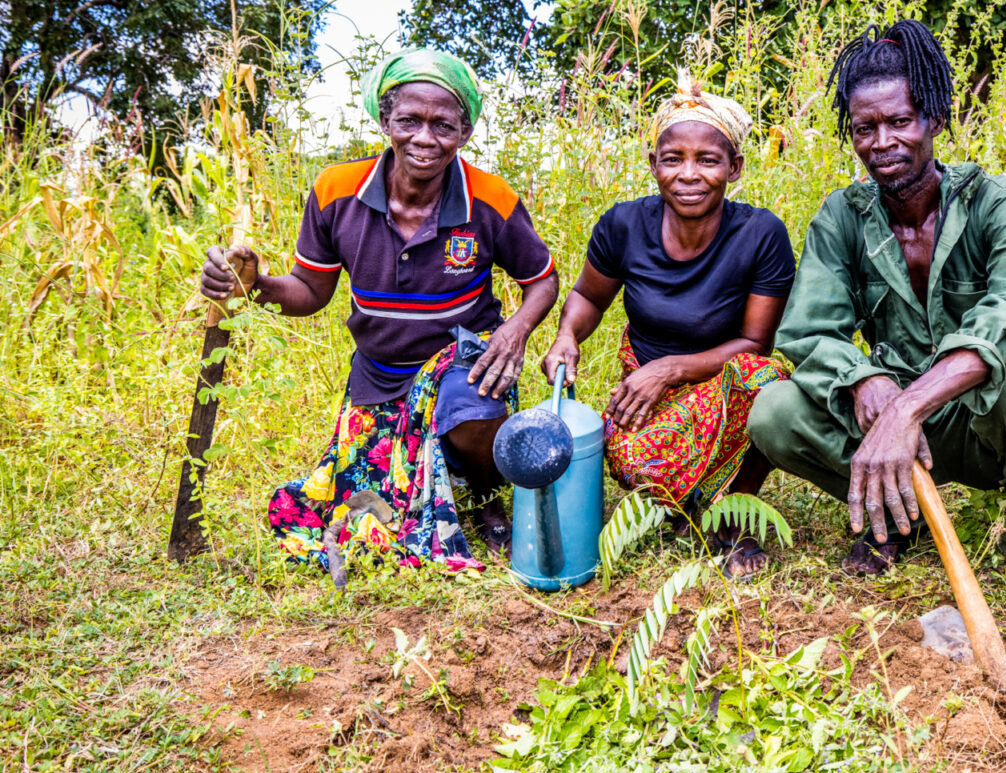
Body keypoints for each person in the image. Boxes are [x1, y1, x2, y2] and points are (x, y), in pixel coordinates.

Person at [746, 21, 1006, 606]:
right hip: (881, 416)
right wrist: (868, 381)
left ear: (934, 118)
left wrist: (910, 405)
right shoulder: (842, 216)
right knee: (774, 411)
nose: (882, 142)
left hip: (974, 418)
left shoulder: (994, 200)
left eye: (899, 122)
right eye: (865, 128)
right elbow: (807, 331)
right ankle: (894, 519)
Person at [199, 48, 559, 575]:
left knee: (475, 411)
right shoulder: (336, 191)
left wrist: (515, 331)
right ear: (385, 120)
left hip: (461, 360)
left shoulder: (490, 198)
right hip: (379, 373)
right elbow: (309, 291)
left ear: (464, 132)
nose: (424, 138)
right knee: (359, 505)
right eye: (409, 120)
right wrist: (254, 287)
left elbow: (542, 281)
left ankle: (488, 499)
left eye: (443, 124)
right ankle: (437, 475)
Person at [540, 73, 794, 581]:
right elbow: (590, 296)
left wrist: (672, 369)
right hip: (646, 384)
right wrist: (567, 335)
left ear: (735, 168)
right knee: (636, 462)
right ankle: (687, 501)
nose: (689, 174)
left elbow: (755, 343)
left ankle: (734, 515)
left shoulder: (760, 234)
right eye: (673, 159)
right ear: (654, 164)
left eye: (708, 160)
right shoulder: (623, 225)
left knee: (768, 386)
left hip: (722, 377)